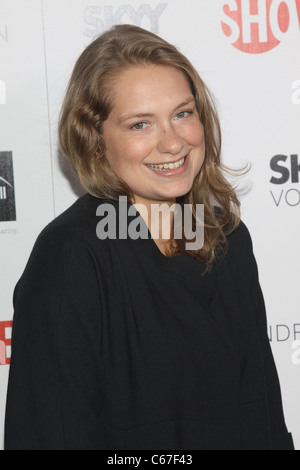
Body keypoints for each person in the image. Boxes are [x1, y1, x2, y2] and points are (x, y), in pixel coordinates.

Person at [5, 25, 294, 450]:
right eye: (141, 124)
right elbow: (50, 432)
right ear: (95, 138)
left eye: (182, 113)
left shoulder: (226, 237)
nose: (173, 142)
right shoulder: (71, 258)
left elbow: (264, 414)